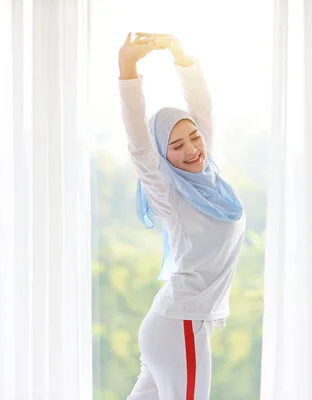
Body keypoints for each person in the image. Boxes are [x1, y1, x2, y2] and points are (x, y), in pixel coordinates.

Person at [118, 32, 246, 400]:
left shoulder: (207, 180)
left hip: (173, 324)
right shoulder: (170, 193)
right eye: (176, 146)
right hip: (181, 326)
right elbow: (140, 143)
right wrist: (127, 68)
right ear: (163, 155)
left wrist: (181, 56)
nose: (192, 149)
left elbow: (201, 108)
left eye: (194, 137)